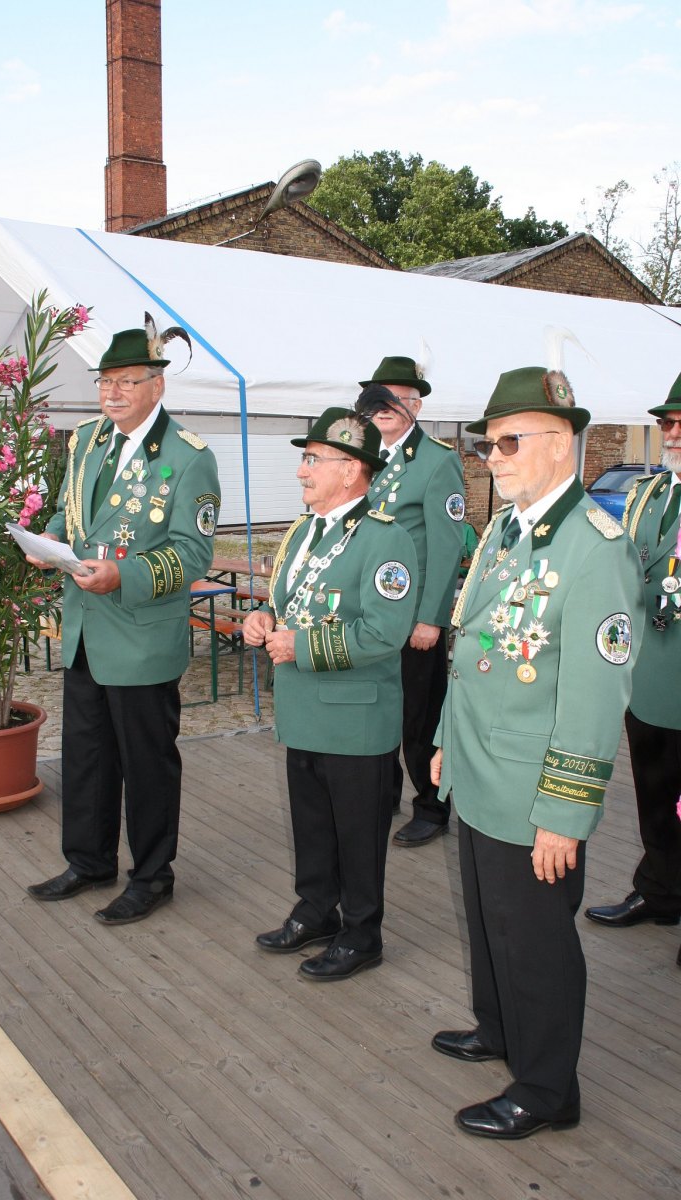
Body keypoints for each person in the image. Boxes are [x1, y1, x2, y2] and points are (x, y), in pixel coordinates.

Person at [430, 366, 643, 1138]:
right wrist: (445, 740)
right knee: (491, 920)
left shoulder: (595, 549)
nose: (494, 457)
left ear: (561, 443)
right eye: (487, 445)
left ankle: (548, 1088)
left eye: (510, 442)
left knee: (536, 940)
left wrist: (564, 812)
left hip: (532, 786)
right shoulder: (506, 528)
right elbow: (471, 645)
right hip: (482, 765)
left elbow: (594, 697)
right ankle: (500, 1028)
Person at [27, 321, 220, 925]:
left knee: (146, 764)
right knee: (86, 755)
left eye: (126, 381)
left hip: (140, 635)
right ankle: (88, 861)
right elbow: (68, 510)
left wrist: (124, 575)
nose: (111, 393)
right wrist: (48, 541)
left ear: (156, 385)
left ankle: (152, 877)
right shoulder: (86, 440)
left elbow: (194, 554)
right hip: (85, 628)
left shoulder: (189, 457)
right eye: (105, 381)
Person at [244, 407, 418, 980]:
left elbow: (384, 633)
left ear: (350, 470)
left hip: (354, 718)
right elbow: (291, 603)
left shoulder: (386, 539)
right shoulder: (303, 531)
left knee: (358, 835)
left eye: (313, 459)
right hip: (303, 710)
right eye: (305, 458)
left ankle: (362, 933)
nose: (302, 470)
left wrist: (302, 646)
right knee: (313, 824)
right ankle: (315, 910)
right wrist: (264, 619)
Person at [585, 370, 681, 967]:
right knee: (655, 792)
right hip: (649, 674)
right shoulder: (651, 493)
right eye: (668, 422)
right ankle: (661, 890)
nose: (672, 432)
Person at [355, 358, 465, 847]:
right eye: (378, 397)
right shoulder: (361, 452)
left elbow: (446, 547)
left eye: (397, 399)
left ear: (416, 407)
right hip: (366, 615)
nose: (385, 407)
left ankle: (432, 806)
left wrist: (431, 619)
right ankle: (383, 795)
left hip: (412, 618)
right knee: (376, 711)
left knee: (420, 718)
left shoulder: (437, 461)